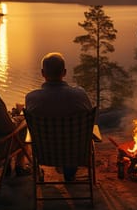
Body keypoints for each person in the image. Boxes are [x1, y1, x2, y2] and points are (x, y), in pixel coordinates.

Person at [25, 52, 93, 181]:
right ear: (65, 72)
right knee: (71, 137)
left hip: (45, 154)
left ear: (42, 73)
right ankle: (69, 173)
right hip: (75, 153)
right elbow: (90, 118)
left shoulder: (32, 98)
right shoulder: (80, 95)